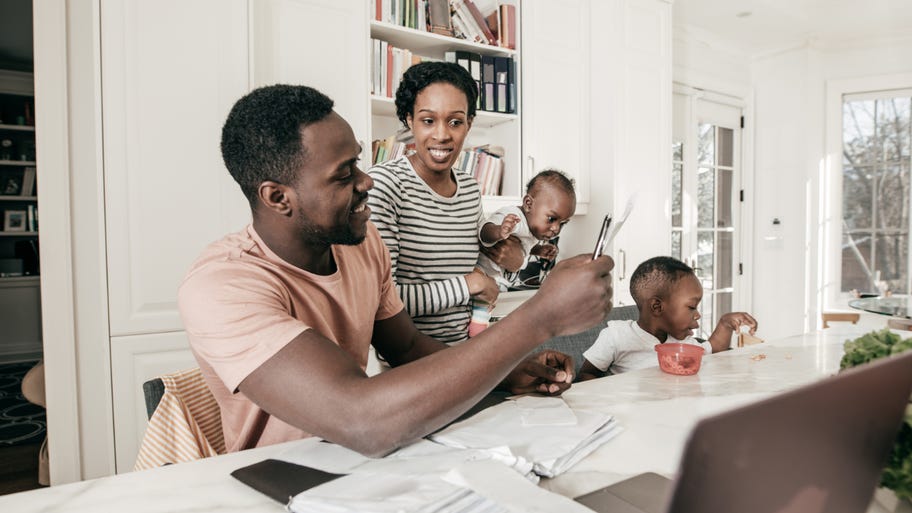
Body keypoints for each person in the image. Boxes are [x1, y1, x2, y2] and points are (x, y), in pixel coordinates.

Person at [177, 84, 615, 457]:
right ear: (277, 198)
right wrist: (540, 317)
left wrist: (508, 372)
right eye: (343, 174)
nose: (366, 181)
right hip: (283, 478)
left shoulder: (363, 247)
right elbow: (360, 420)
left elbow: (406, 347)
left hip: (368, 466)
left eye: (359, 163)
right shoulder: (221, 286)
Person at [367, 61, 525, 344]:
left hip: (467, 353)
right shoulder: (385, 185)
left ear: (469, 124)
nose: (442, 135)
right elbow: (380, 301)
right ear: (408, 119)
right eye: (428, 120)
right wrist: (468, 285)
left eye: (455, 122)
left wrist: (513, 263)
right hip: (409, 363)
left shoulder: (469, 188)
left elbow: (485, 275)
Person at [578, 256, 756, 381]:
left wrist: (725, 323)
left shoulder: (684, 344)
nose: (698, 314)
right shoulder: (617, 336)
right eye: (691, 307)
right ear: (657, 307)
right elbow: (585, 376)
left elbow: (714, 348)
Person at [476, 169, 576, 290]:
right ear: (528, 204)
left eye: (562, 223)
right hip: (477, 274)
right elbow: (484, 232)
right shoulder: (514, 217)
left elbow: (525, 245)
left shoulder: (532, 230)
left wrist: (539, 250)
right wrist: (498, 231)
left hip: (490, 281)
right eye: (551, 218)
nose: (556, 228)